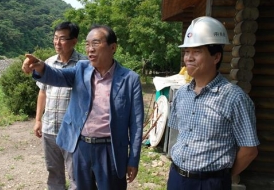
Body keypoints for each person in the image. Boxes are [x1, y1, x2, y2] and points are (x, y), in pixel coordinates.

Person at [22, 24, 144, 190]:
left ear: (113, 47)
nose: (90, 49)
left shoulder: (129, 79)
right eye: (87, 44)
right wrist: (40, 67)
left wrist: (133, 159)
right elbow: (58, 76)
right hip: (82, 147)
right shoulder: (81, 68)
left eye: (95, 43)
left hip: (111, 149)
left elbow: (136, 124)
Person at [167, 16, 259, 190]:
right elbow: (178, 134)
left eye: (197, 52)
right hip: (177, 179)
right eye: (187, 52)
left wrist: (220, 177)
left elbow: (249, 150)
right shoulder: (182, 94)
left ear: (216, 57)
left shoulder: (234, 98)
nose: (189, 58)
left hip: (211, 183)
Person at [34, 21, 87, 190]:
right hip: (50, 127)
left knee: (76, 174)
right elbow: (43, 92)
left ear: (74, 41)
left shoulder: (84, 65)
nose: (57, 42)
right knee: (53, 172)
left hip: (73, 130)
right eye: (55, 38)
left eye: (62, 39)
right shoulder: (47, 63)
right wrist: (38, 120)